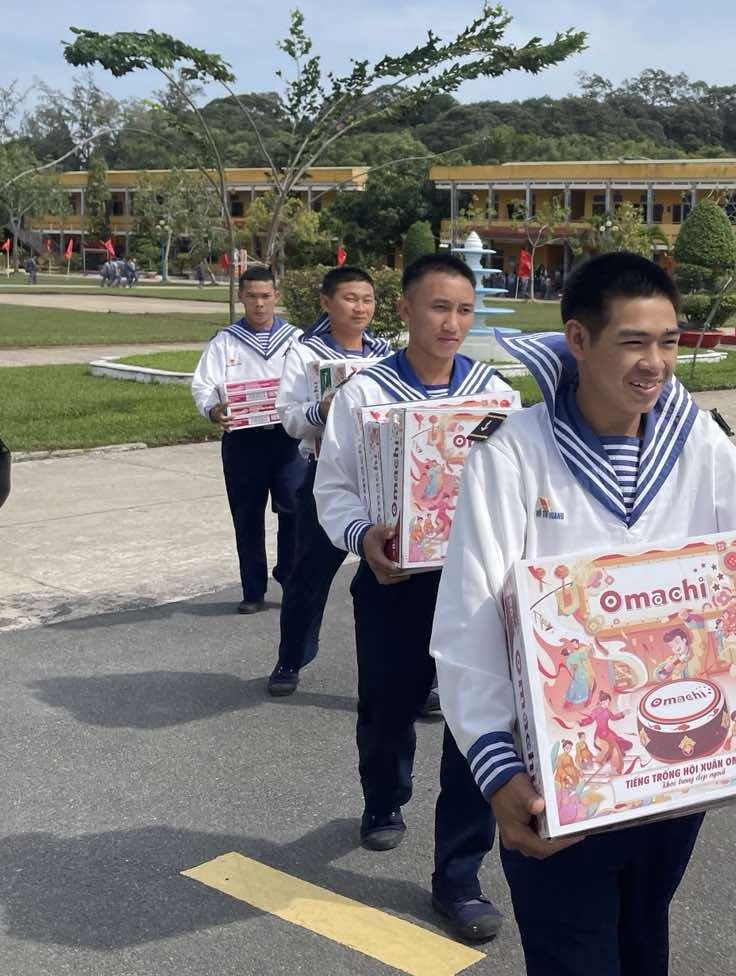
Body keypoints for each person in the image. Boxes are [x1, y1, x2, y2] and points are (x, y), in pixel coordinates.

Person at [432, 251, 736, 976]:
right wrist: (496, 772)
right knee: (572, 954)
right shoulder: (515, 454)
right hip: (559, 779)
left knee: (644, 938)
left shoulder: (703, 448)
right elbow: (468, 624)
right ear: (578, 342)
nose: (654, 363)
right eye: (633, 342)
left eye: (669, 342)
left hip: (676, 777)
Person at [315, 253, 516, 943]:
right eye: (438, 308)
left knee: (477, 723)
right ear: (405, 310)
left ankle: (459, 876)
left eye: (463, 310)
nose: (452, 323)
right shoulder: (365, 395)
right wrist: (362, 533)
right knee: (387, 706)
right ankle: (383, 799)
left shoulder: (497, 397)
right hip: (394, 580)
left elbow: (520, 487)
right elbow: (333, 486)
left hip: (478, 590)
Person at [268, 265, 393, 697]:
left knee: (395, 572)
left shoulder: (386, 356)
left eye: (367, 299)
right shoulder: (305, 354)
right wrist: (322, 410)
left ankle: (411, 673)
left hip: (383, 478)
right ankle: (291, 657)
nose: (360, 308)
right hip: (325, 474)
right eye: (349, 298)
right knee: (309, 573)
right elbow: (288, 417)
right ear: (326, 303)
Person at [190, 266, 307, 613]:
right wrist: (213, 410)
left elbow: (310, 382)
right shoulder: (224, 341)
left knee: (294, 512)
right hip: (243, 441)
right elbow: (202, 384)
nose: (259, 304)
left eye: (265, 296)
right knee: (247, 515)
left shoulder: (296, 340)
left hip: (288, 441)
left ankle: (289, 577)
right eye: (252, 296)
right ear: (241, 296)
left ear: (276, 297)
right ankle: (253, 591)